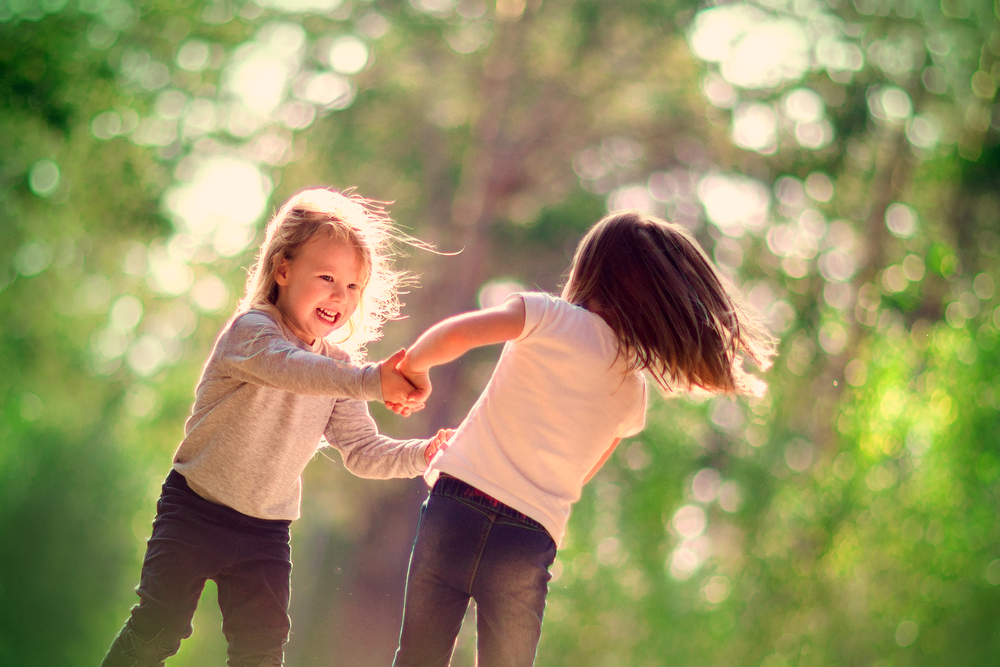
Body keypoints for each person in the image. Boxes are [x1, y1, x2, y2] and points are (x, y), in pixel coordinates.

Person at [389, 210, 776, 667]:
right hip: (528, 535)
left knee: (418, 655)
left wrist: (413, 366)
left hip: (458, 503)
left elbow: (461, 333)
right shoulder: (631, 390)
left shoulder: (547, 316)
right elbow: (584, 469)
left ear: (589, 270)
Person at [102, 188, 440, 667]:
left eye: (352, 286)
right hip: (194, 507)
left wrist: (424, 454)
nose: (339, 296)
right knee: (160, 627)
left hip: (264, 532)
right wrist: (372, 380)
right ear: (283, 270)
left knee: (260, 651)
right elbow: (291, 368)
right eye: (326, 277)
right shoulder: (252, 331)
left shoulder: (340, 369)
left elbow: (363, 451)